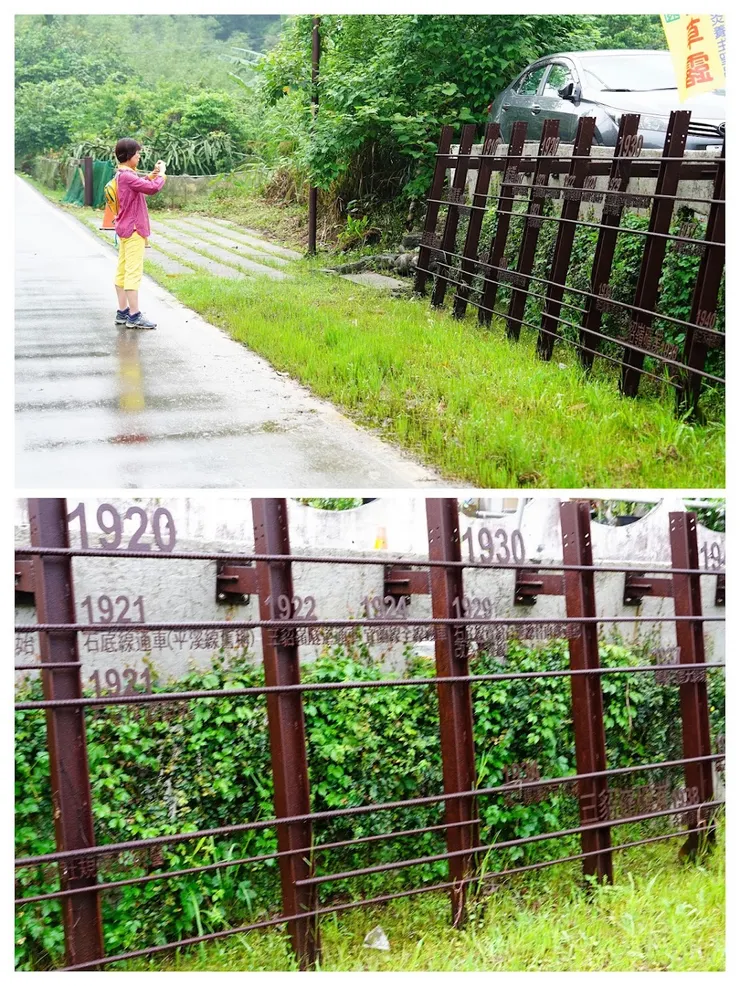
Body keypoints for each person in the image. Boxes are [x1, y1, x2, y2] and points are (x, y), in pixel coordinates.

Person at [113, 138, 167, 329]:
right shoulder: (128, 176)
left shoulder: (122, 174)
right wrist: (162, 174)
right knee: (132, 273)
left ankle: (123, 312)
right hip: (134, 229)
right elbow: (152, 189)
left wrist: (151, 175)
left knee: (122, 271)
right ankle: (135, 316)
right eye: (137, 154)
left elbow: (140, 184)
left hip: (124, 228)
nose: (139, 157)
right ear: (129, 156)